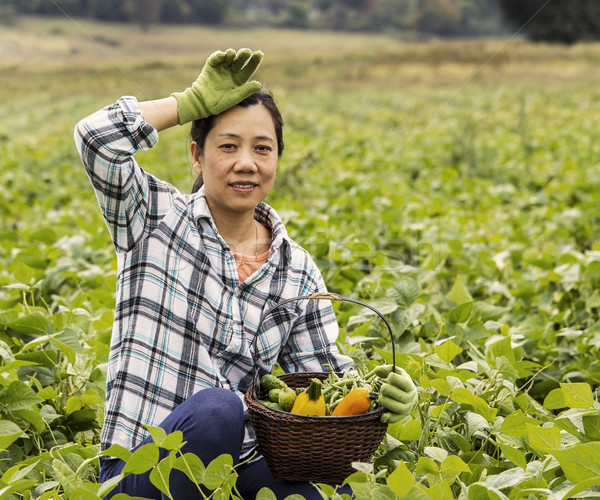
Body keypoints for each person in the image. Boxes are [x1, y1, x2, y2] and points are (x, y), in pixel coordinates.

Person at [74, 48, 417, 499]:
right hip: (141, 469)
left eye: (262, 148)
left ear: (276, 160)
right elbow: (96, 138)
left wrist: (383, 400)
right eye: (228, 146)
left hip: (238, 470)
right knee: (218, 411)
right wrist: (187, 103)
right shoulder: (154, 218)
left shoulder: (296, 271)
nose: (246, 163)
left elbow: (324, 391)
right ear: (197, 156)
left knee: (331, 494)